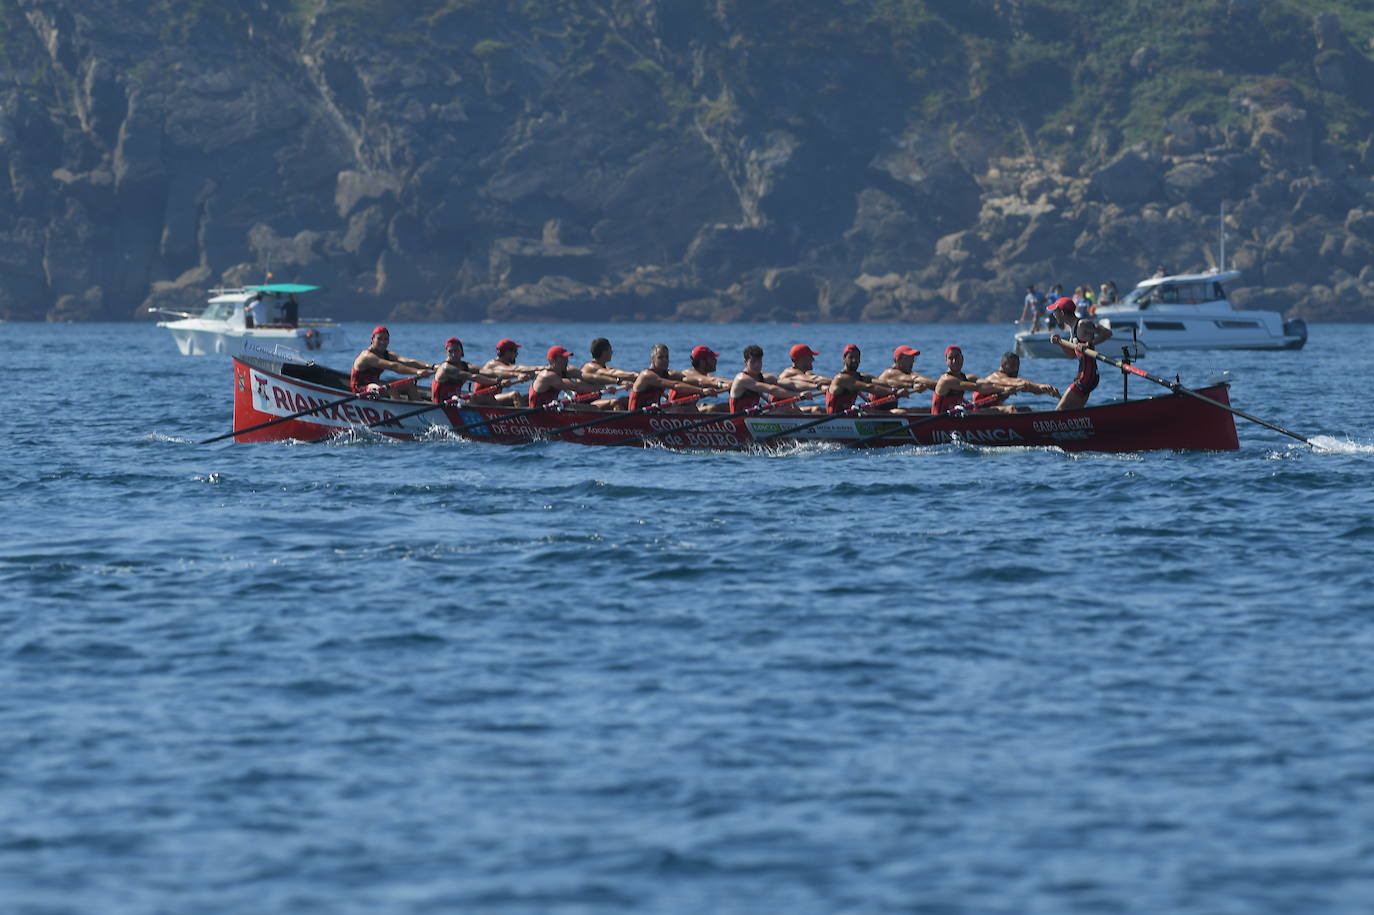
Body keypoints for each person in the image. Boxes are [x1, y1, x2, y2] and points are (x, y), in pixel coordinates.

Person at [351, 325, 433, 401]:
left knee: (409, 383)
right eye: (379, 339)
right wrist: (417, 372)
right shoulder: (367, 356)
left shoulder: (388, 355)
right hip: (360, 389)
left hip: (376, 385)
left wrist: (432, 367)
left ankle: (419, 407)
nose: (383, 342)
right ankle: (398, 411)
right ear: (372, 339)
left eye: (386, 339)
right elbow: (393, 366)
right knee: (391, 389)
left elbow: (407, 362)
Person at [729, 345, 817, 413]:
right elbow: (772, 389)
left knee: (789, 409)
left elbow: (790, 383)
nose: (757, 365)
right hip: (738, 421)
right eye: (753, 362)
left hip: (753, 416)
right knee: (785, 411)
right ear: (745, 362)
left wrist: (816, 387)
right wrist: (799, 395)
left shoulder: (764, 377)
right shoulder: (741, 379)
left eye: (759, 361)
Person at [930, 345, 1014, 414]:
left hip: (957, 415)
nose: (954, 361)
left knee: (1011, 409)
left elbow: (987, 383)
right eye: (950, 358)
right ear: (946, 360)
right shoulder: (946, 380)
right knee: (1006, 410)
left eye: (957, 357)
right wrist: (1004, 389)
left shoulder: (967, 378)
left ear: (962, 358)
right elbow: (977, 387)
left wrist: (1008, 386)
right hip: (940, 420)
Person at [628, 344, 711, 411]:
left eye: (667, 357)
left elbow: (691, 380)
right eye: (660, 357)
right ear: (652, 359)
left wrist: (717, 384)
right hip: (635, 417)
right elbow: (675, 385)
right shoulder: (646, 375)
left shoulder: (668, 374)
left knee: (690, 408)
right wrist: (701, 391)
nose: (665, 360)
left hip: (652, 413)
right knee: (683, 409)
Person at [968, 352, 1060, 412]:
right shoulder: (997, 377)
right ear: (1003, 366)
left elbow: (1028, 388)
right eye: (1012, 365)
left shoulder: (1010, 380)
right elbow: (1020, 382)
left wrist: (1046, 390)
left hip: (990, 409)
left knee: (1026, 410)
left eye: (1017, 366)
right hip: (978, 410)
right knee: (1011, 409)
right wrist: (1040, 386)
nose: (1016, 369)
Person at [1050, 319, 1108, 410]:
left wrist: (1089, 344)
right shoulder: (1072, 329)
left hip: (1086, 377)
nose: (1053, 316)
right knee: (1074, 411)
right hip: (1087, 376)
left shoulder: (1082, 324)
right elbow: (1073, 355)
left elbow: (1107, 333)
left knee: (1059, 410)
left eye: (1055, 312)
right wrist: (1060, 343)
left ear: (1062, 312)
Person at [827, 344, 901, 414]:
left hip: (848, 417)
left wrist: (897, 388)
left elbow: (879, 382)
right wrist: (892, 392)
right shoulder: (841, 378)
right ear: (844, 358)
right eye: (851, 357)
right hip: (834, 422)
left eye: (857, 358)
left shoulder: (859, 377)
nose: (854, 360)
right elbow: (869, 387)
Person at [431, 337, 505, 404]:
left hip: (455, 402)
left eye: (456, 351)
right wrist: (496, 381)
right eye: (450, 351)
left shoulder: (464, 366)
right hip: (441, 406)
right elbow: (473, 377)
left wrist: (510, 374)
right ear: (446, 353)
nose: (453, 354)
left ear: (462, 352)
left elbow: (484, 371)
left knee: (488, 398)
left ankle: (498, 415)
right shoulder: (445, 368)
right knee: (475, 398)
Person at [528, 346, 605, 409]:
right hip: (537, 414)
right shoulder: (547, 376)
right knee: (594, 409)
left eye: (567, 358)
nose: (567, 361)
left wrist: (613, 381)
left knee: (593, 407)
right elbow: (576, 387)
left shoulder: (562, 372)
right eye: (563, 358)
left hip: (550, 409)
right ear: (552, 360)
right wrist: (603, 388)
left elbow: (587, 377)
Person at [478, 338, 542, 407]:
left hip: (493, 398)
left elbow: (519, 371)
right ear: (507, 352)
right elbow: (515, 370)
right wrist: (520, 375)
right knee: (515, 395)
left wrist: (541, 374)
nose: (517, 354)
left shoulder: (505, 365)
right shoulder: (492, 364)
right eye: (515, 351)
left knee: (529, 397)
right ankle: (525, 417)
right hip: (482, 399)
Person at [874, 345, 935, 412]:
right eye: (909, 358)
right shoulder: (890, 373)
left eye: (913, 358)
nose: (913, 362)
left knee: (928, 410)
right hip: (876, 411)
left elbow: (916, 378)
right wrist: (938, 384)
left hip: (887, 410)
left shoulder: (904, 372)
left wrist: (928, 384)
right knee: (903, 412)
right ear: (899, 359)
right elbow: (914, 379)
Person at [673, 345, 734, 413]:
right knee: (719, 408)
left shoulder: (701, 374)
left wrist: (733, 384)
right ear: (702, 362)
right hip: (675, 412)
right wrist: (735, 383)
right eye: (712, 358)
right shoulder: (691, 374)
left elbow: (715, 381)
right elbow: (712, 380)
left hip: (686, 409)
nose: (715, 360)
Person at [578, 338, 635, 410]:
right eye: (610, 349)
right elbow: (611, 373)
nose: (612, 352)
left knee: (626, 400)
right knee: (615, 402)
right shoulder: (590, 367)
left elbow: (617, 373)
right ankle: (622, 421)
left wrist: (637, 380)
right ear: (604, 352)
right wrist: (623, 381)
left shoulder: (604, 367)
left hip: (594, 402)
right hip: (583, 403)